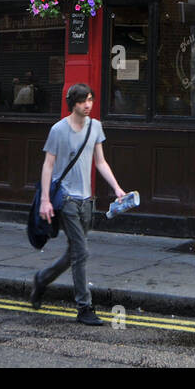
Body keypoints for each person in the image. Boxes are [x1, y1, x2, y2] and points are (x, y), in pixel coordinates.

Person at [31, 84, 127, 324]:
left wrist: (116, 188)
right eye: (83, 101)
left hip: (87, 201)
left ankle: (42, 279)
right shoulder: (58, 130)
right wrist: (45, 201)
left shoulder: (96, 127)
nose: (88, 105)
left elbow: (101, 162)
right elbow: (48, 166)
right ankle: (84, 307)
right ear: (72, 103)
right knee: (82, 252)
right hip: (67, 200)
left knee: (74, 252)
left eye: (91, 100)